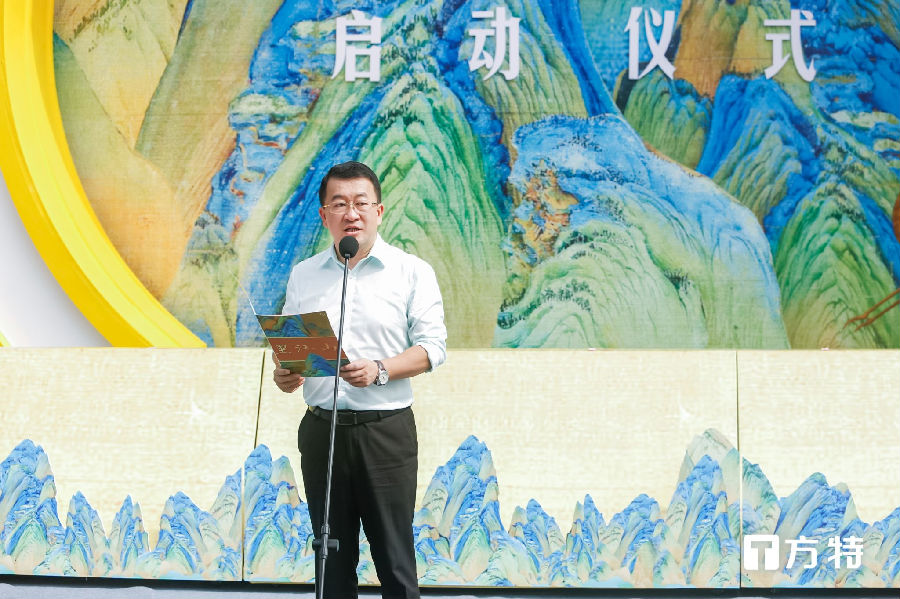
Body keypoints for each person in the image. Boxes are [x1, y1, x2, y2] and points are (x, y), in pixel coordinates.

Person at [273, 161, 447, 598]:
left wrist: (380, 369)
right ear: (324, 215)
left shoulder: (411, 271)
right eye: (339, 204)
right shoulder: (304, 274)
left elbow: (432, 348)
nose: (351, 213)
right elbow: (295, 349)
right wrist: (286, 373)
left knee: (394, 558)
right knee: (330, 558)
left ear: (379, 211)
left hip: (384, 432)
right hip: (322, 430)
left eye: (360, 203)